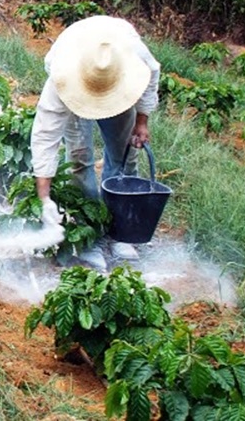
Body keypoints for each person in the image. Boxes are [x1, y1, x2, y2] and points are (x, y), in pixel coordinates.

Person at [30, 15, 160, 264]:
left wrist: (142, 121)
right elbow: (45, 136)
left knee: (124, 154)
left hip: (120, 87)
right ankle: (91, 235)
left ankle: (121, 230)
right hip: (74, 88)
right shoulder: (62, 77)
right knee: (78, 159)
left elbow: (152, 74)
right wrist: (44, 198)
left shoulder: (133, 58)